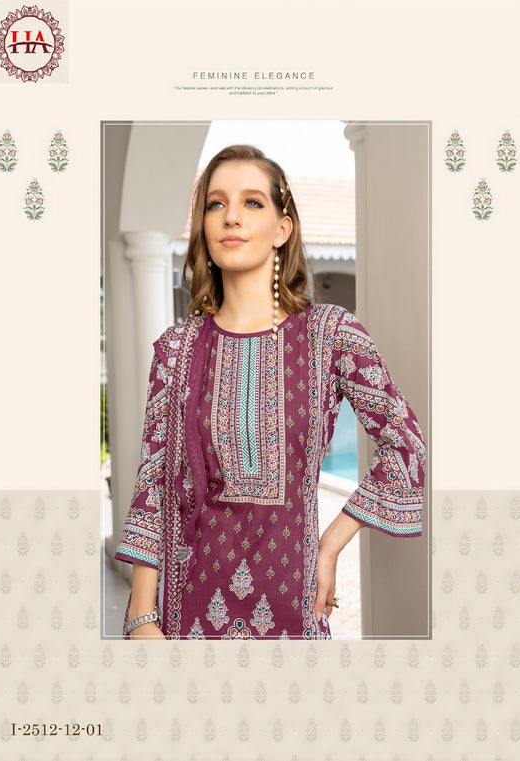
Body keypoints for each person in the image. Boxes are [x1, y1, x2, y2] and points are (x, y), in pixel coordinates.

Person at [114, 144, 426, 640]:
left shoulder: (330, 335)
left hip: (292, 610)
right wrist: (141, 617)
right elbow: (155, 486)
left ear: (282, 229)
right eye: (216, 203)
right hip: (187, 616)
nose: (231, 216)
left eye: (252, 202)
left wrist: (331, 543)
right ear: (204, 227)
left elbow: (406, 444)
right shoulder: (177, 350)